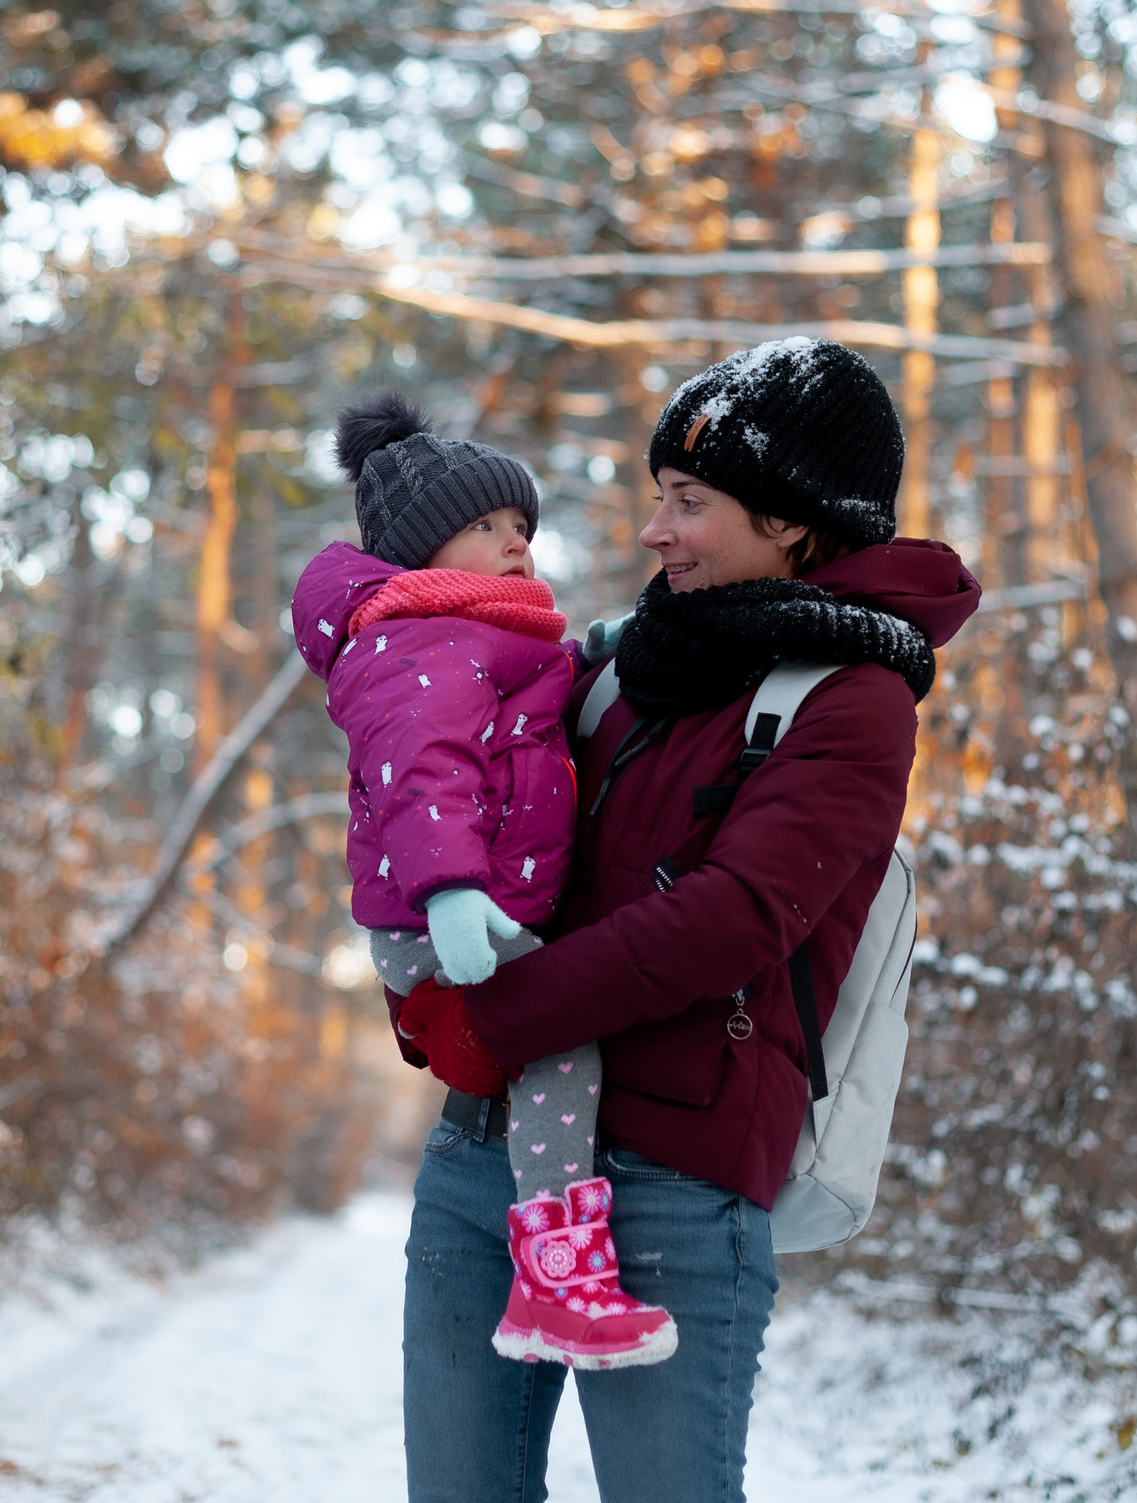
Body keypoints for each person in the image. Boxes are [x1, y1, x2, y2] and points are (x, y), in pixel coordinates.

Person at [390, 337, 980, 1503]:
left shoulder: (849, 701)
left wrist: (492, 1014)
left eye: (690, 501)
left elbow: (733, 920)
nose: (655, 530)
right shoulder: (616, 669)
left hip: (674, 1179)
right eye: (662, 495)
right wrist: (422, 965)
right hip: (487, 1156)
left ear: (795, 524)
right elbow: (487, 840)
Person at [290, 391, 679, 1371]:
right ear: (423, 549)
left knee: (539, 1047)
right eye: (484, 526)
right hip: (446, 908)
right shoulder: (411, 643)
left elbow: (525, 705)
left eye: (520, 524)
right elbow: (421, 770)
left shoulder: (477, 631)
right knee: (560, 1051)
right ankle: (558, 1282)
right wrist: (450, 890)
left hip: (467, 907)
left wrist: (592, 653)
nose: (514, 541)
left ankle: (556, 1272)